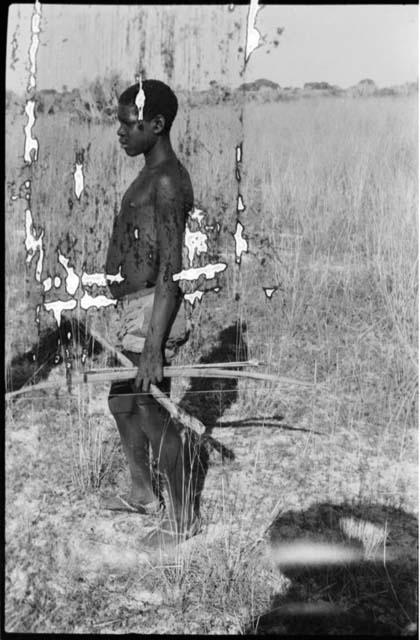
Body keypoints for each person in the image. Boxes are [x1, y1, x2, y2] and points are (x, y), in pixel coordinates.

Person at [103, 79, 206, 547]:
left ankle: (183, 520)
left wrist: (154, 347)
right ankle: (144, 495)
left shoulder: (166, 179)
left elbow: (172, 268)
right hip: (134, 311)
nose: (121, 131)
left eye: (129, 123)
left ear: (156, 124)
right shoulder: (150, 172)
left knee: (152, 411)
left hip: (152, 313)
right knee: (122, 402)